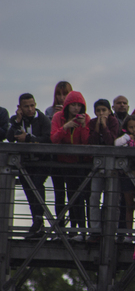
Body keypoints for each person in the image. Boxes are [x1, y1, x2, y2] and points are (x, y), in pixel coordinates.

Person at [6, 93, 52, 237]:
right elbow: (9, 137)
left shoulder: (43, 119)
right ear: (20, 107)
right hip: (24, 164)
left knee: (37, 187)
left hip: (42, 162)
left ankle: (39, 220)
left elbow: (47, 139)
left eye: (32, 105)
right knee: (28, 191)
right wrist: (17, 122)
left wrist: (29, 139)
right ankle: (37, 223)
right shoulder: (15, 120)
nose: (30, 109)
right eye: (26, 106)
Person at [50, 91, 91, 241]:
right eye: (73, 105)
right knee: (60, 196)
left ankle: (78, 230)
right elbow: (54, 139)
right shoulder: (57, 117)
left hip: (77, 164)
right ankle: (60, 231)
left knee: (76, 196)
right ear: (67, 105)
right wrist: (65, 127)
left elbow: (87, 143)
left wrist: (85, 127)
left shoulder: (85, 118)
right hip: (60, 163)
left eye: (79, 105)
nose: (76, 108)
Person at [87, 99, 120, 243]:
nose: (101, 114)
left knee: (111, 198)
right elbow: (92, 143)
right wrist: (97, 128)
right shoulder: (92, 123)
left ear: (109, 111)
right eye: (98, 111)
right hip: (97, 165)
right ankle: (95, 229)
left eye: (104, 110)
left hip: (112, 165)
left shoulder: (114, 122)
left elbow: (111, 141)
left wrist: (105, 126)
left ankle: (110, 229)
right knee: (94, 197)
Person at [45, 82, 72, 224]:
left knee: (74, 193)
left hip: (72, 159)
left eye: (65, 94)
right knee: (59, 192)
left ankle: (76, 227)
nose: (62, 98)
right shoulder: (49, 112)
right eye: (59, 94)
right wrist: (56, 116)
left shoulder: (76, 112)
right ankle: (60, 226)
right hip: (56, 158)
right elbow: (50, 135)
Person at [115, 115, 135, 243]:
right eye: (131, 127)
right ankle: (128, 234)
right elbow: (116, 144)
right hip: (127, 174)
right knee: (129, 205)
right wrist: (129, 137)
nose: (133, 129)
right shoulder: (124, 139)